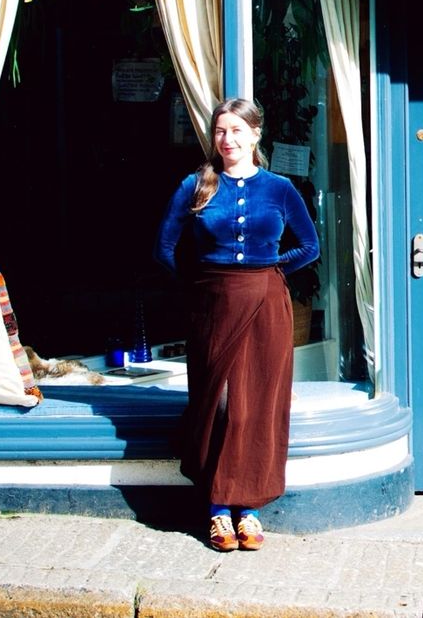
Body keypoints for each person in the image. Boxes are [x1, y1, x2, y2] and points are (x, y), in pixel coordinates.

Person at [155, 98, 319, 552]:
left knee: (258, 407)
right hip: (214, 305)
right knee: (222, 406)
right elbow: (165, 249)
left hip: (267, 306)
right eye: (220, 131)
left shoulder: (281, 188)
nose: (228, 140)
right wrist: (204, 285)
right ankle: (215, 509)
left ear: (255, 134)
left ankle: (247, 510)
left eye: (236, 131)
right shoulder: (196, 185)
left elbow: (310, 246)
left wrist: (271, 269)